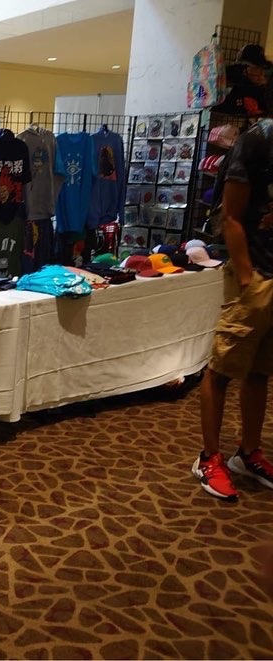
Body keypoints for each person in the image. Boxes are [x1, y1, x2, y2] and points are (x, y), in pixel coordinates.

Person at [194, 46, 273, 500]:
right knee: (222, 369)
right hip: (254, 276)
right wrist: (246, 278)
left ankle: (249, 451)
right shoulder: (257, 141)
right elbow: (232, 215)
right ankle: (209, 457)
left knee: (260, 372)